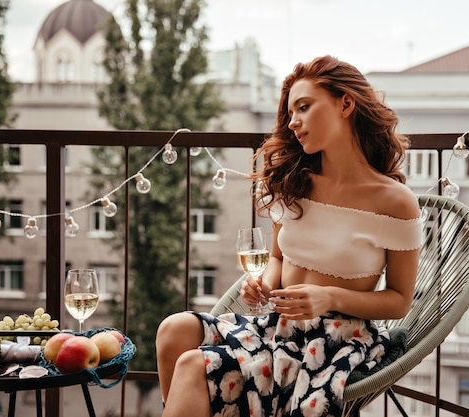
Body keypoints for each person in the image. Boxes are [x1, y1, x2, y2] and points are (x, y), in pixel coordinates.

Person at [156, 55, 423, 417]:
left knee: (192, 365)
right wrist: (263, 282)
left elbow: (399, 300)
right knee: (173, 330)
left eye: (304, 107)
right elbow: (279, 258)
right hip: (276, 327)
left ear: (346, 103)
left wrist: (327, 296)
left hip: (334, 342)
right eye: (290, 113)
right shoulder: (295, 180)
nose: (294, 122)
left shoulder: (394, 201)